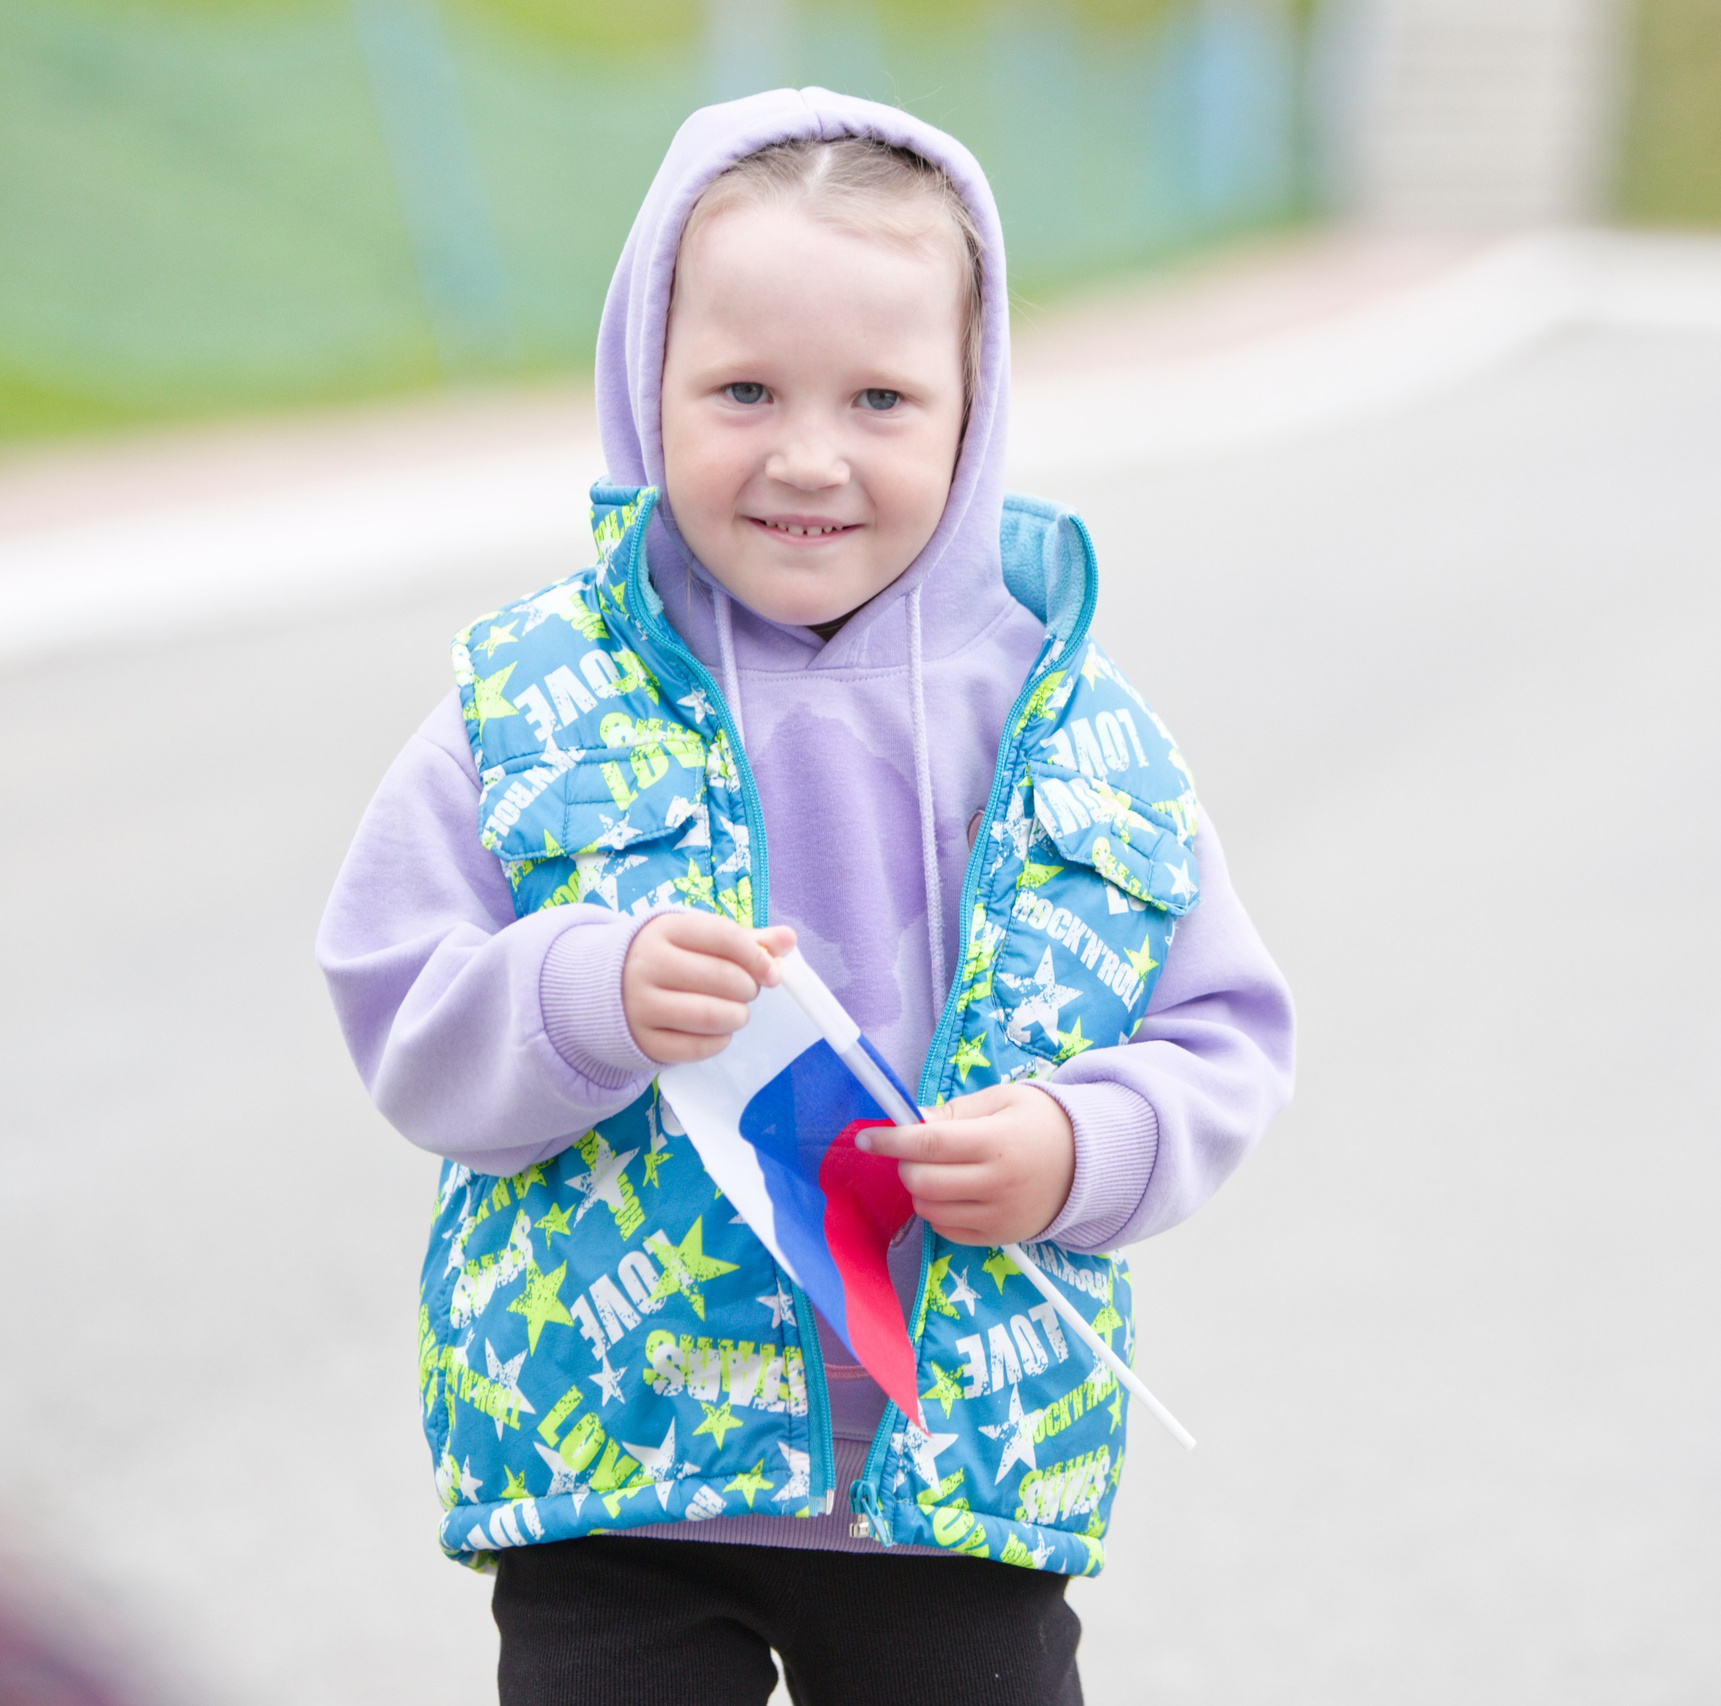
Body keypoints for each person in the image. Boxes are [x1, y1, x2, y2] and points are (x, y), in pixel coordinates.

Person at [317, 88, 1296, 1705]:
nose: (809, 455)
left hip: (954, 1466)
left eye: (883, 399)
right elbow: (397, 996)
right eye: (745, 390)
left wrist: (1080, 1143)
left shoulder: (1071, 726)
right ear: (647, 385)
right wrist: (583, 992)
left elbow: (1222, 1033)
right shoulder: (537, 701)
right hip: (621, 1454)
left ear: (975, 413)